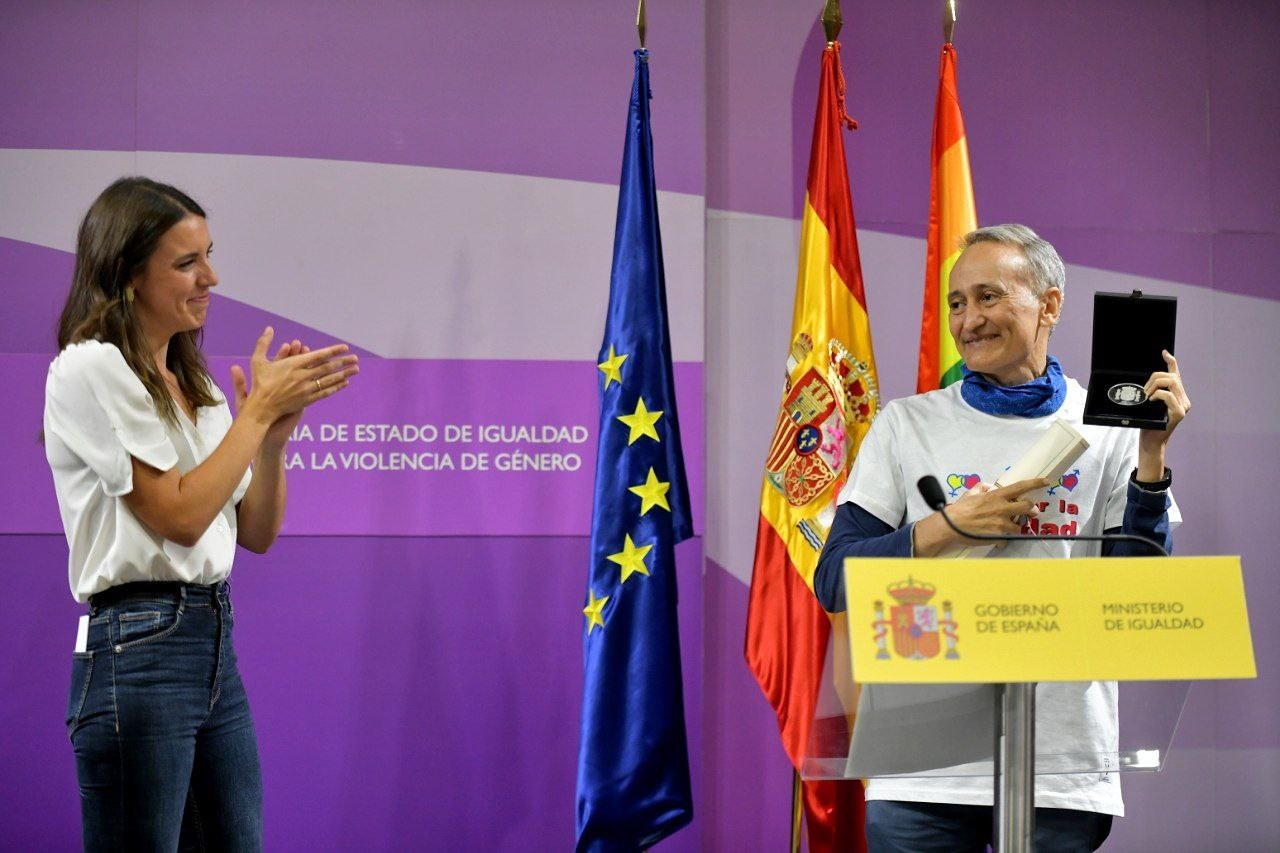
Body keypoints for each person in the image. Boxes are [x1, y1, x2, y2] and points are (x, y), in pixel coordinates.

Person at [814, 224, 1189, 852]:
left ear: (1049, 305)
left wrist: (1151, 453)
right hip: (921, 761)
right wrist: (947, 526)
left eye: (988, 297)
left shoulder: (1108, 426)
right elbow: (835, 578)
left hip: (1060, 757)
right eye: (957, 302)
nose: (968, 320)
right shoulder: (907, 424)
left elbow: (1135, 590)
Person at [44, 177, 359, 851]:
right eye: (186, 262)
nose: (211, 277)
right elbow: (179, 517)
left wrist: (271, 442)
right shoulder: (89, 367)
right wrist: (257, 412)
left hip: (213, 642)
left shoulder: (200, 384)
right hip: (137, 649)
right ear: (127, 274)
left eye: (208, 255)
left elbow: (257, 532)